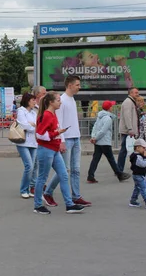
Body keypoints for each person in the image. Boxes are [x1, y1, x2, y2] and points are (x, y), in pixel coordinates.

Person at [43, 75, 92, 208]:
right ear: (69, 85)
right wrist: (61, 141)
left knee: (75, 170)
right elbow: (58, 123)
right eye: (77, 85)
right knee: (64, 170)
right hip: (67, 139)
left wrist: (77, 136)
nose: (79, 87)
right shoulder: (62, 100)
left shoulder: (72, 99)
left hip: (75, 138)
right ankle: (48, 192)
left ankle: (76, 196)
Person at [33, 92, 85, 215]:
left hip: (54, 149)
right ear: (51, 102)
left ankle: (69, 204)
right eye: (57, 100)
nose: (60, 102)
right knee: (42, 178)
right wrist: (57, 133)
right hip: (46, 150)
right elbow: (40, 134)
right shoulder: (46, 115)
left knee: (64, 175)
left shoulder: (52, 114)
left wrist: (58, 136)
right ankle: (37, 205)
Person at [87, 100, 131, 184]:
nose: (112, 107)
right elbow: (103, 131)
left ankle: (90, 175)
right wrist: (96, 138)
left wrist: (94, 137)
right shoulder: (108, 118)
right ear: (109, 108)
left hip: (98, 142)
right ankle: (119, 174)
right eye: (111, 106)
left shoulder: (99, 116)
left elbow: (95, 127)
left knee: (96, 159)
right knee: (111, 159)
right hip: (104, 142)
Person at [15, 93, 38, 198]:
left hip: (33, 142)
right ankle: (24, 189)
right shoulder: (21, 111)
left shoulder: (34, 112)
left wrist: (32, 125)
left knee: (32, 167)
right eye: (33, 100)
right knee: (29, 166)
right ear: (28, 101)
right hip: (23, 142)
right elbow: (24, 125)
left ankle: (29, 188)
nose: (35, 102)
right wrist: (32, 125)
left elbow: (38, 124)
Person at [128, 138, 146, 209]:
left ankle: (133, 200)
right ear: (137, 148)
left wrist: (145, 157)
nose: (145, 149)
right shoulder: (137, 156)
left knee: (137, 188)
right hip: (138, 175)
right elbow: (142, 164)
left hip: (138, 174)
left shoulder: (138, 155)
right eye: (143, 148)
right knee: (144, 188)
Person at [118, 87, 140, 172]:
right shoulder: (128, 102)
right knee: (125, 150)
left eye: (137, 92)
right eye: (136, 93)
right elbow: (127, 117)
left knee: (130, 149)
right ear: (130, 93)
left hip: (129, 131)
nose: (137, 94)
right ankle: (119, 169)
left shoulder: (131, 102)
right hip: (128, 131)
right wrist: (130, 128)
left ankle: (134, 166)